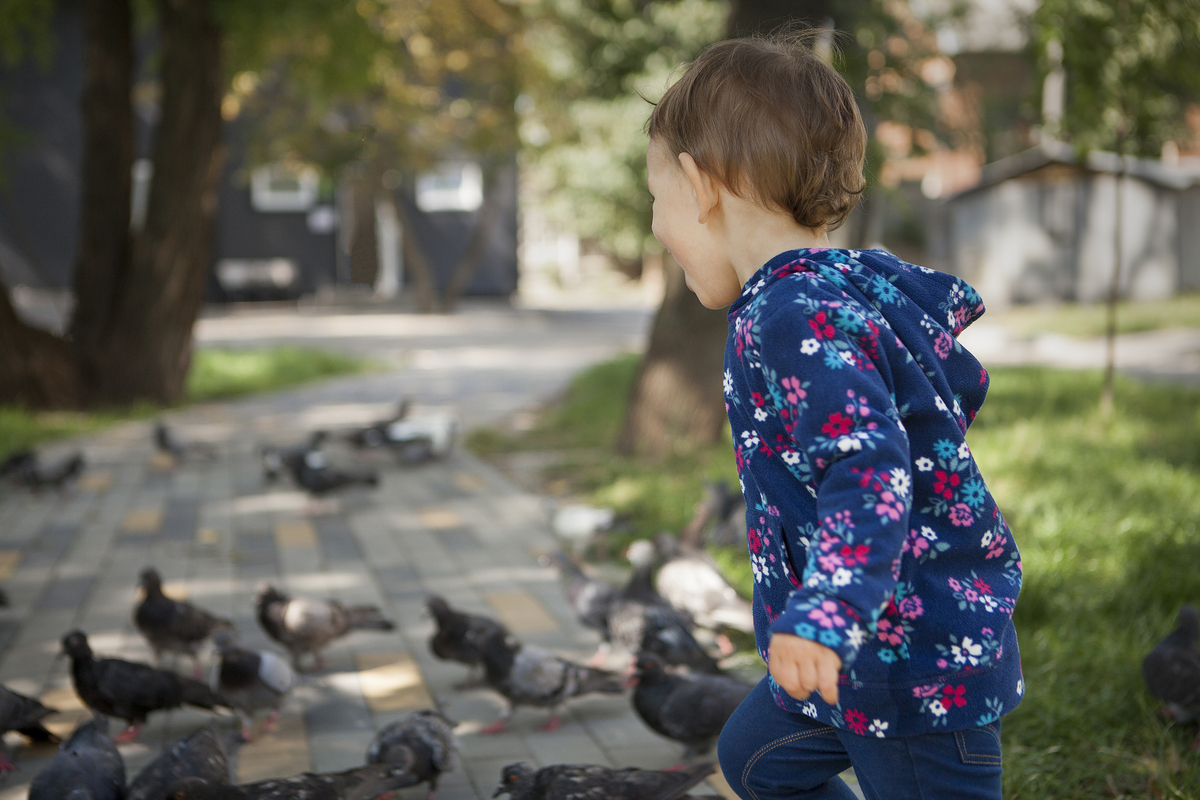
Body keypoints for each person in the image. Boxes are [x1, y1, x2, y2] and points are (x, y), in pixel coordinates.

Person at [644, 30, 1022, 800]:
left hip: (905, 663)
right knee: (756, 759)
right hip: (840, 654)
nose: (655, 228)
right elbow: (928, 410)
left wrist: (824, 611)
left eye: (656, 201)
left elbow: (870, 466)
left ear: (701, 183)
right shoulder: (834, 290)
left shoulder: (792, 315)